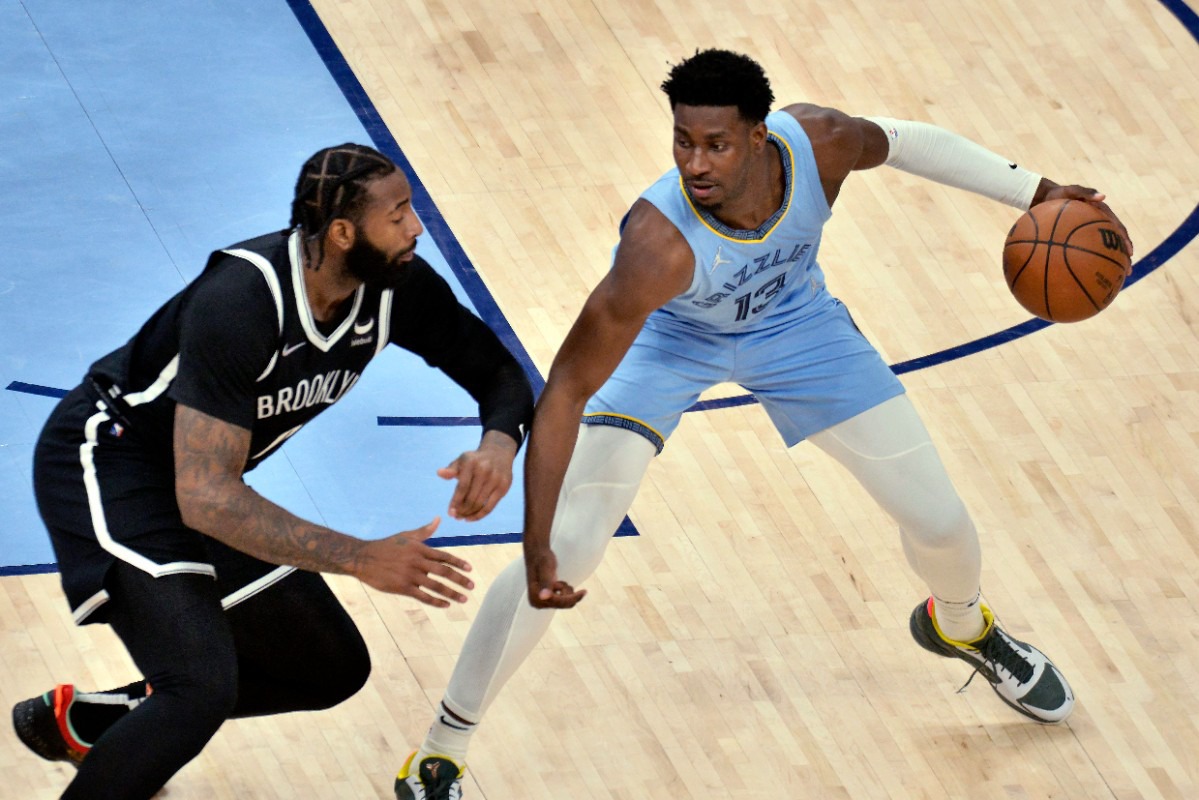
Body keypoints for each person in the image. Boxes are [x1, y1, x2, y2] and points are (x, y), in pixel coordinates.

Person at [394, 49, 1134, 799]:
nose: (694, 161)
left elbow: (908, 141)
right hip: (669, 344)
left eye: (714, 143)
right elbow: (564, 393)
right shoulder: (656, 247)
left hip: (795, 328)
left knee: (940, 522)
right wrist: (535, 542)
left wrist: (1038, 193)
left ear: (757, 136)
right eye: (681, 140)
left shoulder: (821, 142)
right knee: (572, 546)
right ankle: (441, 754)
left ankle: (962, 626)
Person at [11, 143, 535, 800]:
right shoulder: (242, 301)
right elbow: (205, 500)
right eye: (397, 214)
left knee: (327, 666)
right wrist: (359, 556)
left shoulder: (396, 287)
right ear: (342, 233)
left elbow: (497, 371)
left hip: (202, 481)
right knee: (199, 689)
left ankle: (94, 724)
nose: (415, 227)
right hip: (113, 463)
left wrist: (496, 443)